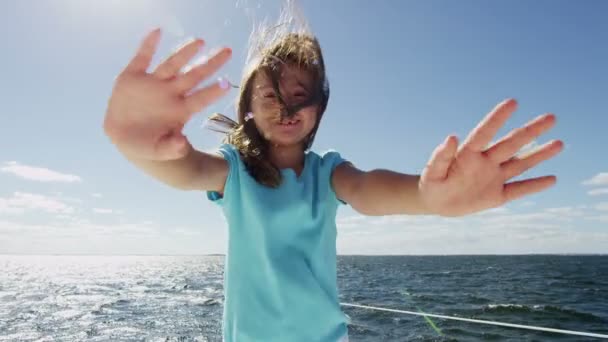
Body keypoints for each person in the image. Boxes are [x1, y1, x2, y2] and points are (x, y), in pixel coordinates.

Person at [103, 21, 563, 342]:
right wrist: (133, 141)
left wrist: (426, 197)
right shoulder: (234, 172)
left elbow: (366, 189)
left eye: (300, 95)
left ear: (319, 108)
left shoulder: (327, 173)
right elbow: (184, 168)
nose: (286, 107)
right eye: (270, 95)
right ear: (247, 106)